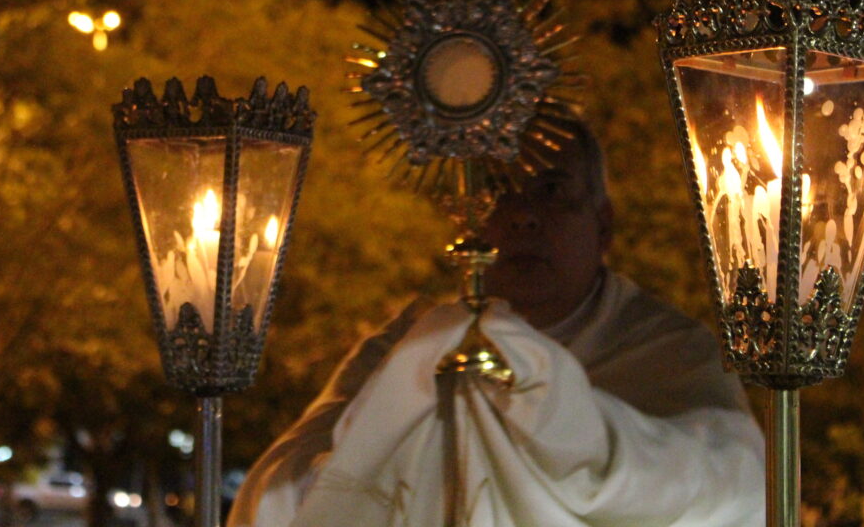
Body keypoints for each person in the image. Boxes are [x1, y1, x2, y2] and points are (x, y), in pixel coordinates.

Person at [227, 121, 764, 527]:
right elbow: (280, 487)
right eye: (500, 188)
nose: (523, 215)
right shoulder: (412, 345)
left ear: (603, 225)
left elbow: (733, 480)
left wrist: (566, 422)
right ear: (465, 218)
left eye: (551, 190)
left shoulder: (670, 351)